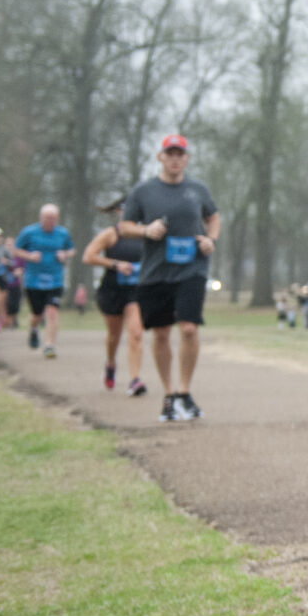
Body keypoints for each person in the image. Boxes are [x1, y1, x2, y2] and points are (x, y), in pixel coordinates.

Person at [119, 133, 220, 423]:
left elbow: (213, 217)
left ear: (186, 159)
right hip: (156, 272)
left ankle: (185, 392)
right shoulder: (143, 191)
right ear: (160, 157)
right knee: (161, 333)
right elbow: (125, 226)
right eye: (170, 154)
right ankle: (169, 393)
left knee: (189, 328)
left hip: (192, 269)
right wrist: (145, 231)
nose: (175, 159)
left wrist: (210, 239)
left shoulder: (197, 189)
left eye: (180, 154)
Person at [82, 201, 149, 395]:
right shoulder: (111, 234)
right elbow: (88, 256)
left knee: (136, 333)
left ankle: (135, 379)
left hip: (136, 291)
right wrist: (115, 264)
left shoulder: (144, 234)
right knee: (114, 335)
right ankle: (110, 363)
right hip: (112, 290)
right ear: (118, 211)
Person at [13, 204, 74, 359]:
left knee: (52, 311)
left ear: (57, 219)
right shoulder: (29, 232)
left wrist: (65, 255)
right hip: (33, 280)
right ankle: (33, 329)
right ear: (41, 217)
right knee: (37, 314)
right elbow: (15, 250)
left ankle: (50, 345)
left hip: (55, 279)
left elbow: (71, 249)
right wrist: (29, 256)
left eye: (53, 218)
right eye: (47, 218)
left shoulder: (62, 233)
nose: (49, 221)